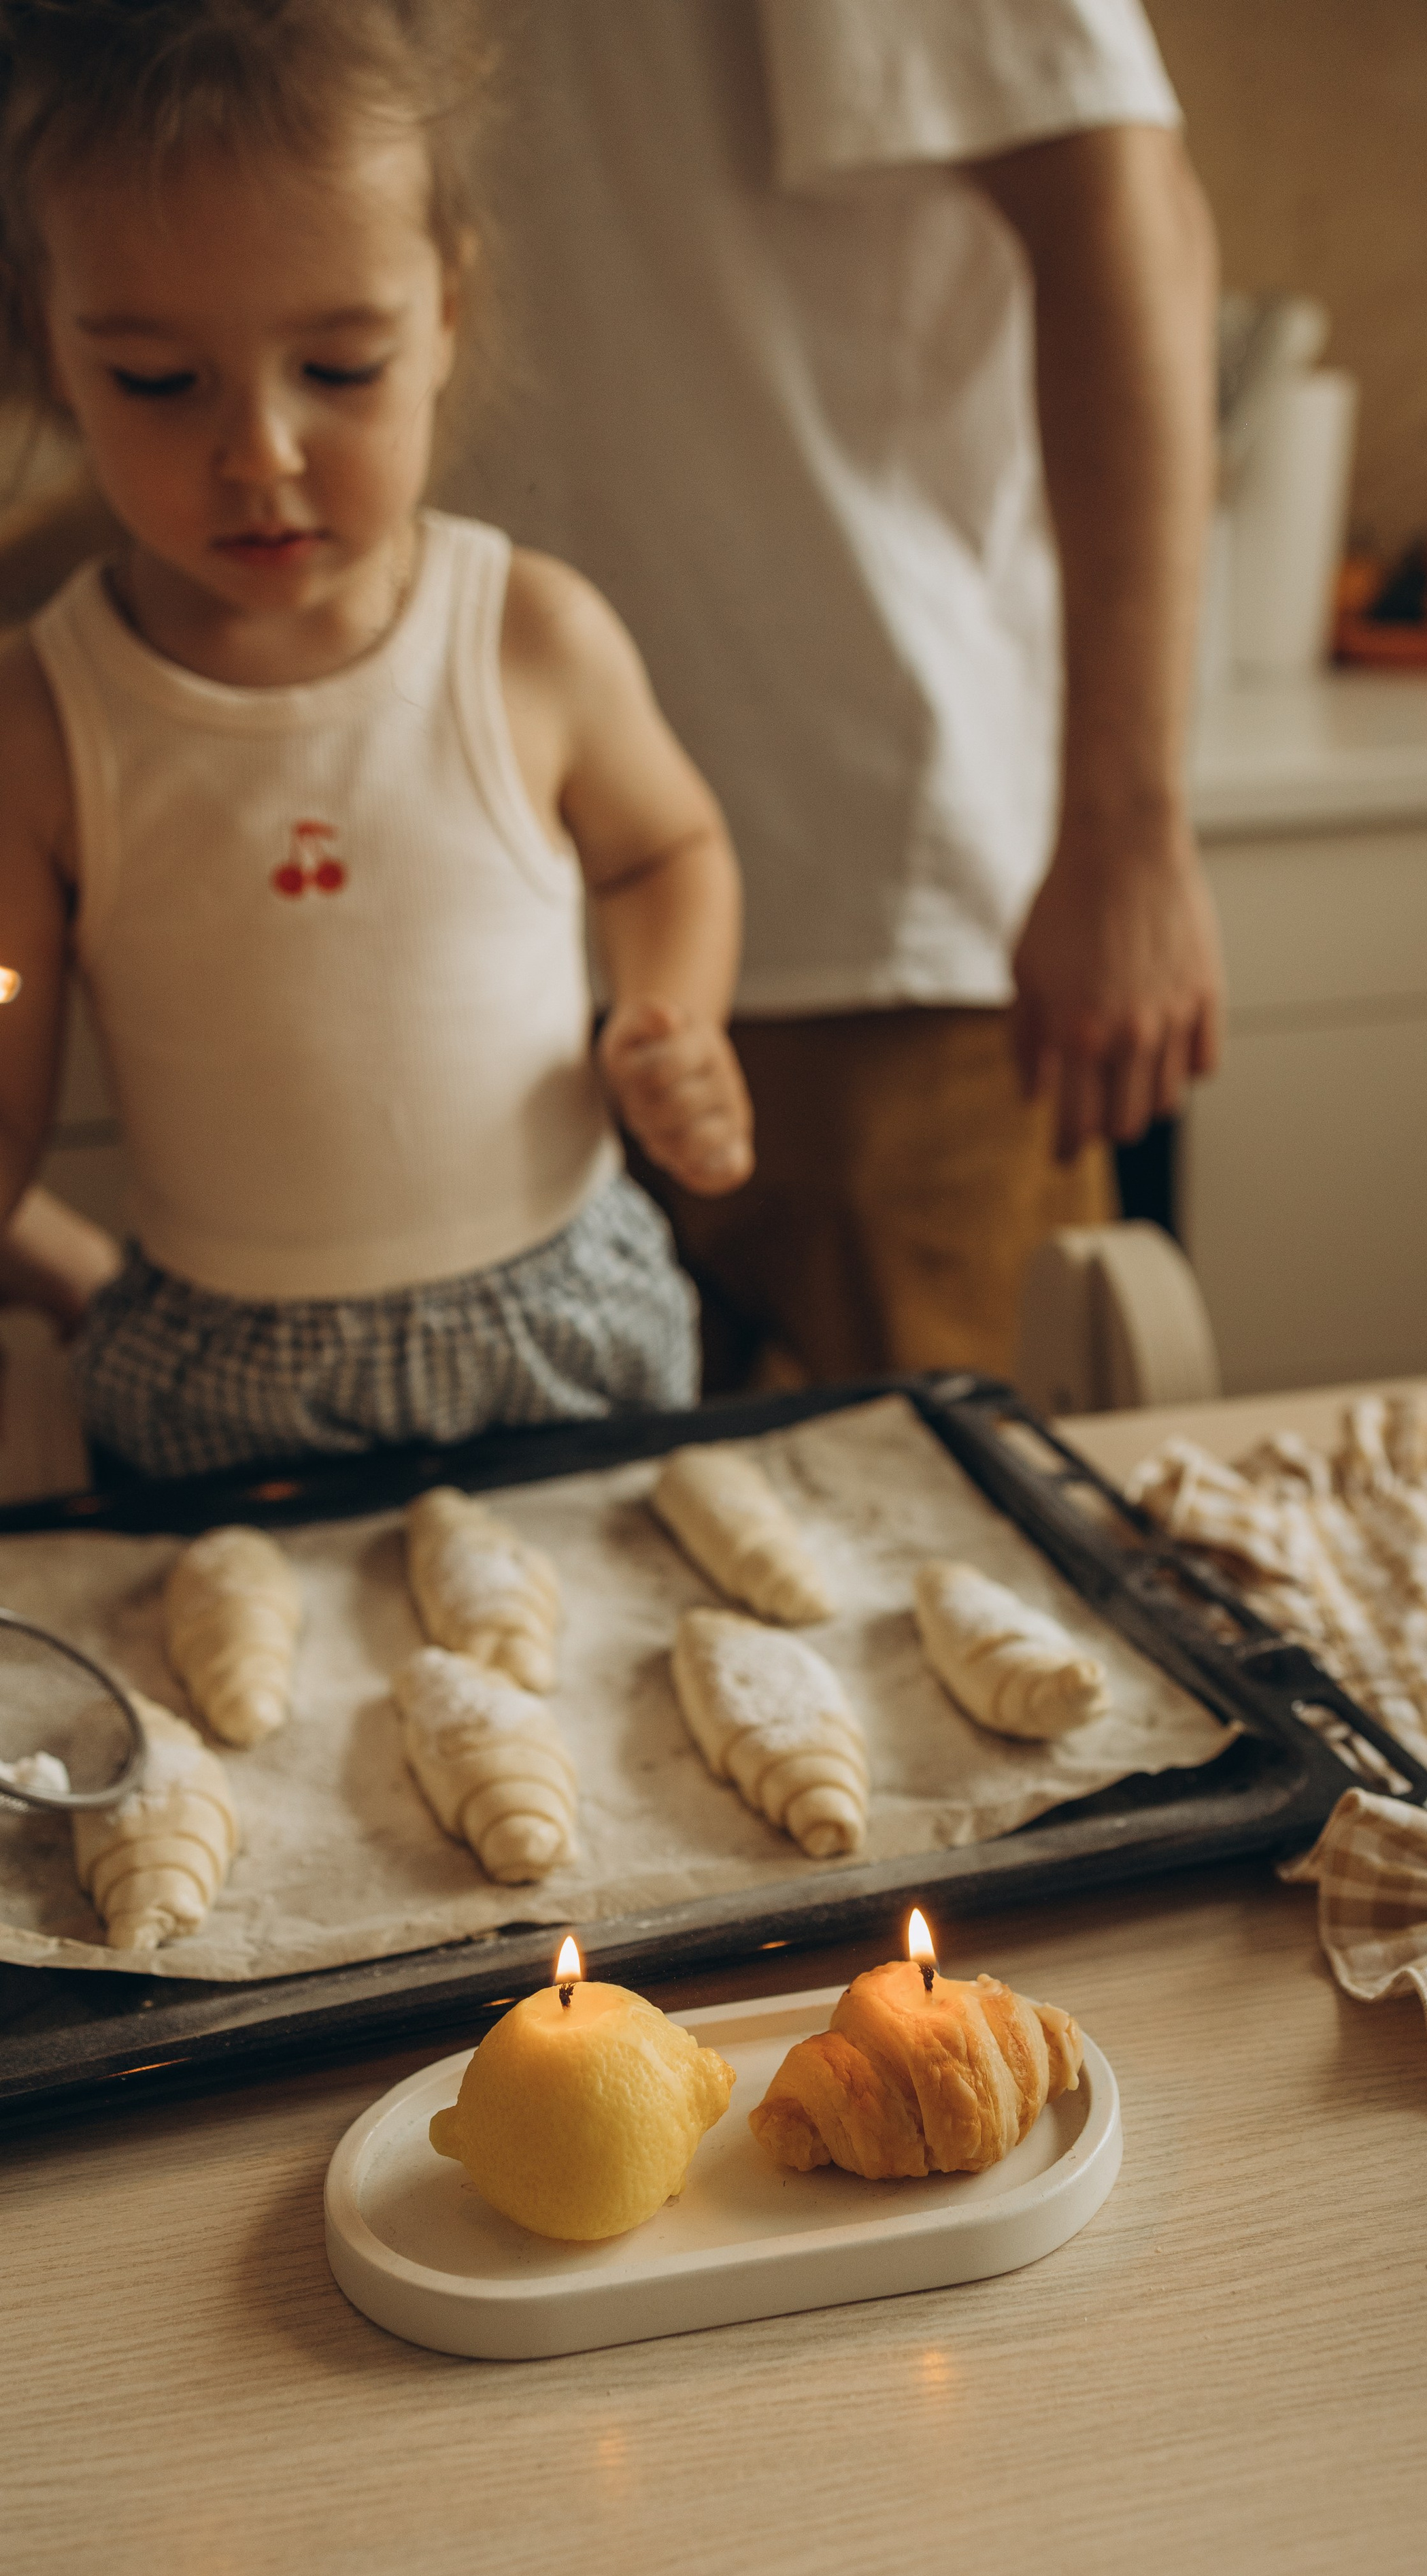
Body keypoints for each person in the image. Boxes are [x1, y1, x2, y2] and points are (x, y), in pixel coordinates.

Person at [0, 0, 754, 1479]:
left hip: (562, 1326)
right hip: (222, 1378)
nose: (260, 453)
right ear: (50, 346)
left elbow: (665, 847)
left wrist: (674, 1016)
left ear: (445, 312)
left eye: (340, 369)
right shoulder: (37, 719)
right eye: (160, 381)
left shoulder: (532, 636)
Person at [445, 0, 1224, 1387]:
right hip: (484, 924)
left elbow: (1127, 211)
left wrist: (1130, 829)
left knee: (975, 1502)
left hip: (865, 918)